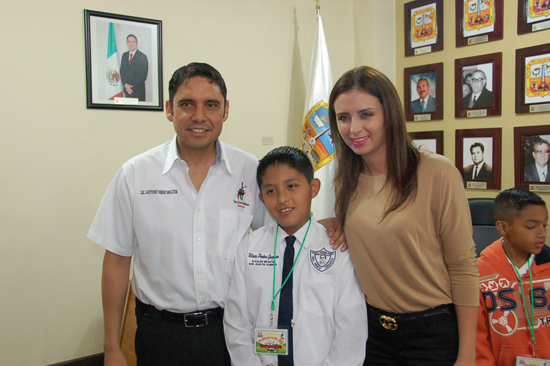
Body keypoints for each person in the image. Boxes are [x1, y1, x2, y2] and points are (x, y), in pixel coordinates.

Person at [88, 62, 344, 366]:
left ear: (225, 111)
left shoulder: (250, 172)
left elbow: (282, 230)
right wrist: (112, 346)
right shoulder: (135, 174)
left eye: (211, 105)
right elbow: (117, 261)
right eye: (186, 104)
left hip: (229, 333)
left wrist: (324, 225)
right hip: (160, 334)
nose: (199, 116)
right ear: (169, 109)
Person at [328, 66, 478, 365]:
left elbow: (463, 266)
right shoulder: (346, 177)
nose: (353, 128)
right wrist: (330, 225)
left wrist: (468, 353)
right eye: (344, 118)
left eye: (366, 114)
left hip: (431, 335)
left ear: (389, 115)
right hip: (371, 332)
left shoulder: (437, 172)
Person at [223, 146, 367, 366]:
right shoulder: (249, 248)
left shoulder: (337, 248)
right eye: (271, 191)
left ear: (313, 188)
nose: (282, 198)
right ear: (261, 197)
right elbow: (237, 322)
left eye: (292, 186)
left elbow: (350, 329)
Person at [477, 188, 550, 365]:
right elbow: (477, 340)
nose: (542, 233)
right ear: (502, 227)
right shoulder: (480, 274)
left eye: (545, 225)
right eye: (531, 226)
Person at [119, 34, 148, 101]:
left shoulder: (142, 57)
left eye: (133, 41)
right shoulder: (124, 55)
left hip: (138, 92)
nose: (131, 44)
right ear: (127, 43)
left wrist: (131, 88)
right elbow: (122, 71)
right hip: (127, 92)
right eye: (129, 41)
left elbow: (143, 76)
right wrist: (126, 85)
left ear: (137, 43)